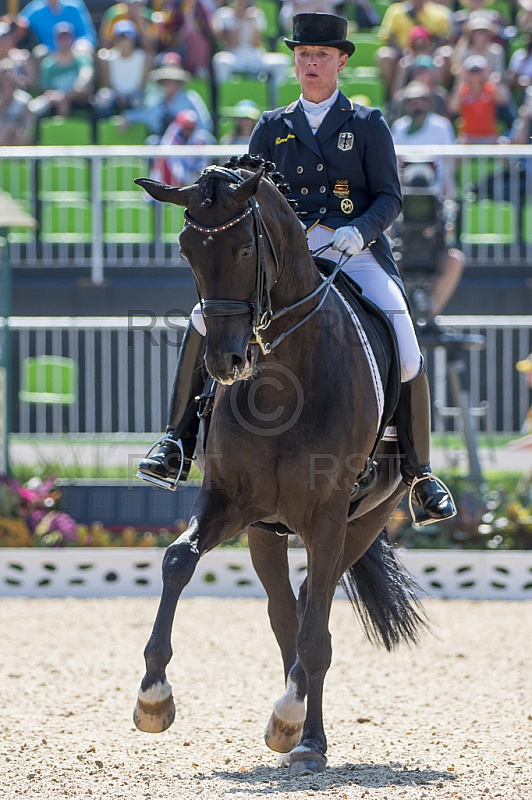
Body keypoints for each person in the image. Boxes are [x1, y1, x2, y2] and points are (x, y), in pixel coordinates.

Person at [138, 12, 456, 526]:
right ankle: (177, 439)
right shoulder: (272, 126)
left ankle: (419, 473)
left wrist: (361, 230)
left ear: (341, 61)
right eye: (304, 55)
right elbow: (247, 197)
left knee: (406, 340)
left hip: (354, 250)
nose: (311, 63)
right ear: (294, 60)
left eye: (322, 56)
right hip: (286, 258)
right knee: (202, 318)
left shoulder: (367, 123)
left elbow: (390, 197)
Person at [121, 61, 212, 140]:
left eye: (172, 81)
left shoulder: (190, 98)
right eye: (165, 81)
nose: (168, 84)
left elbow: (205, 124)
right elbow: (145, 115)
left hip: (189, 144)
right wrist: (128, 116)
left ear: (178, 83)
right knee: (152, 141)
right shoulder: (158, 103)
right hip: (166, 147)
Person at [212, 0, 291, 88]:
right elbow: (231, 44)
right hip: (235, 55)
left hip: (255, 55)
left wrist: (252, 22)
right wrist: (240, 19)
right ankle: (224, 95)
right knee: (221, 61)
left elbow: (257, 43)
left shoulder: (257, 14)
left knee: (283, 62)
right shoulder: (223, 14)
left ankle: (274, 98)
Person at [29, 21, 94, 119]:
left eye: (67, 37)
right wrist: (59, 98)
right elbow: (46, 90)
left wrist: (65, 97)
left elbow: (85, 75)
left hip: (80, 99)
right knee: (36, 107)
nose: (64, 41)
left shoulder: (82, 59)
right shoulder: (48, 64)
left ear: (73, 38)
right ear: (56, 40)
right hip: (55, 103)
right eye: (61, 38)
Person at [448, 53, 513, 142]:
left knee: (504, 143)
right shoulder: (462, 90)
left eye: (479, 71)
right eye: (472, 71)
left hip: (490, 137)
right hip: (468, 138)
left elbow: (503, 100)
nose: (476, 75)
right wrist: (461, 81)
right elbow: (453, 108)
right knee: (458, 143)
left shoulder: (490, 88)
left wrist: (490, 79)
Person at [95, 19, 151, 118]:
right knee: (103, 99)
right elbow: (107, 83)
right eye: (121, 38)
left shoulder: (143, 58)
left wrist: (128, 97)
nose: (124, 42)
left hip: (135, 95)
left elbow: (143, 85)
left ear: (133, 40)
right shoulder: (108, 58)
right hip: (115, 95)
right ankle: (105, 129)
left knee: (139, 101)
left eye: (127, 38)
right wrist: (119, 96)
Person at [151, 108, 216, 186]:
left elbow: (203, 163)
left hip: (192, 177)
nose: (188, 131)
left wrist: (200, 177)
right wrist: (181, 180)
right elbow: (172, 162)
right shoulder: (171, 139)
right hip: (172, 180)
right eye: (186, 128)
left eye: (190, 128)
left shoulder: (199, 139)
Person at [19, 0, 97, 52]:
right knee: (39, 52)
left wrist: (81, 45)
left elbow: (88, 34)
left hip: (75, 54)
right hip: (49, 56)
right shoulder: (34, 10)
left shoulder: (75, 6)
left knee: (83, 48)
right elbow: (19, 25)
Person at [0, 58, 33, 145]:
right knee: (7, 129)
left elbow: (28, 125)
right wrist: (5, 100)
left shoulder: (24, 99)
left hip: (18, 135)